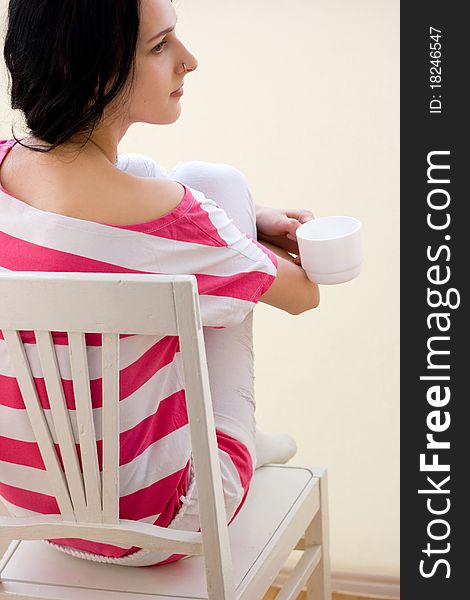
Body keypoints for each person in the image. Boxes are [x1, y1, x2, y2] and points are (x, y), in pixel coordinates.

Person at [0, 0, 319, 566]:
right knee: (214, 181)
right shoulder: (174, 223)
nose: (187, 60)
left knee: (151, 174)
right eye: (160, 45)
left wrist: (236, 222)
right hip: (161, 525)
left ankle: (231, 433)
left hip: (27, 510)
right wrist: (237, 220)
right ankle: (233, 435)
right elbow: (302, 294)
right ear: (94, 72)